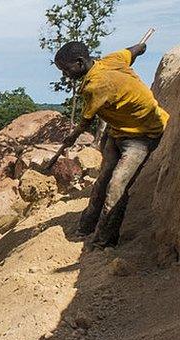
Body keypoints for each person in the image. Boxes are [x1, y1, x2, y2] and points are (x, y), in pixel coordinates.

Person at [53, 41, 169, 249]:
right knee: (103, 179)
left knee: (117, 186)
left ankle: (103, 241)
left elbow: (86, 121)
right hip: (119, 131)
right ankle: (86, 226)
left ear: (79, 62)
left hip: (143, 135)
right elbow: (134, 51)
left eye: (66, 69)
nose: (65, 74)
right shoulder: (111, 59)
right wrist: (140, 48)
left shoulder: (95, 86)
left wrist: (72, 138)